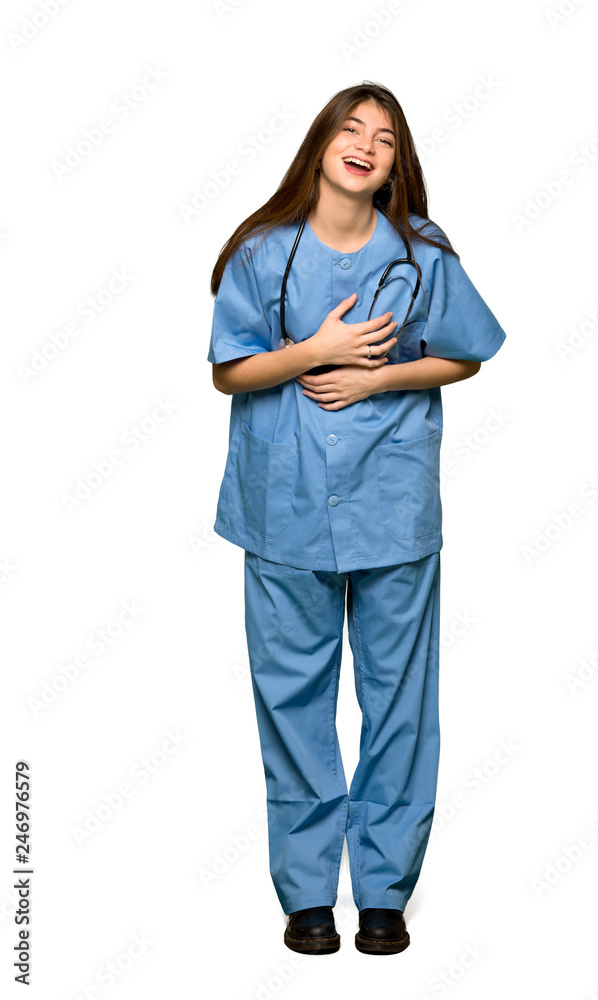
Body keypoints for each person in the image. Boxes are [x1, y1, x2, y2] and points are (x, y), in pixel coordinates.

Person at [207, 81, 506, 956]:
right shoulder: (265, 253)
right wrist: (315, 351)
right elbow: (229, 372)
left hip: (392, 504)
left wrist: (376, 377)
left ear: (393, 164)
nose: (365, 143)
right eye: (350, 127)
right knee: (293, 700)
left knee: (400, 703)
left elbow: (466, 354)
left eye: (383, 136)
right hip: (284, 506)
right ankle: (306, 895)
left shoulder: (423, 252)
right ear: (320, 144)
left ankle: (382, 892)